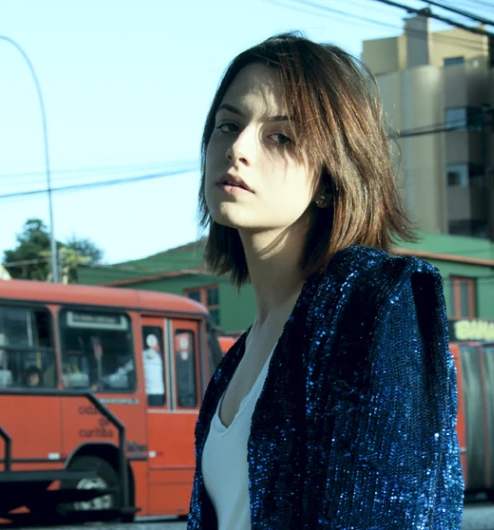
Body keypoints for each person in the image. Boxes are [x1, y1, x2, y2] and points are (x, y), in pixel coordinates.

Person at [187, 33, 464, 529]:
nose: (238, 148)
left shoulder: (374, 303)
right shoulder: (234, 363)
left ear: (330, 177)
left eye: (281, 137)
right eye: (228, 124)